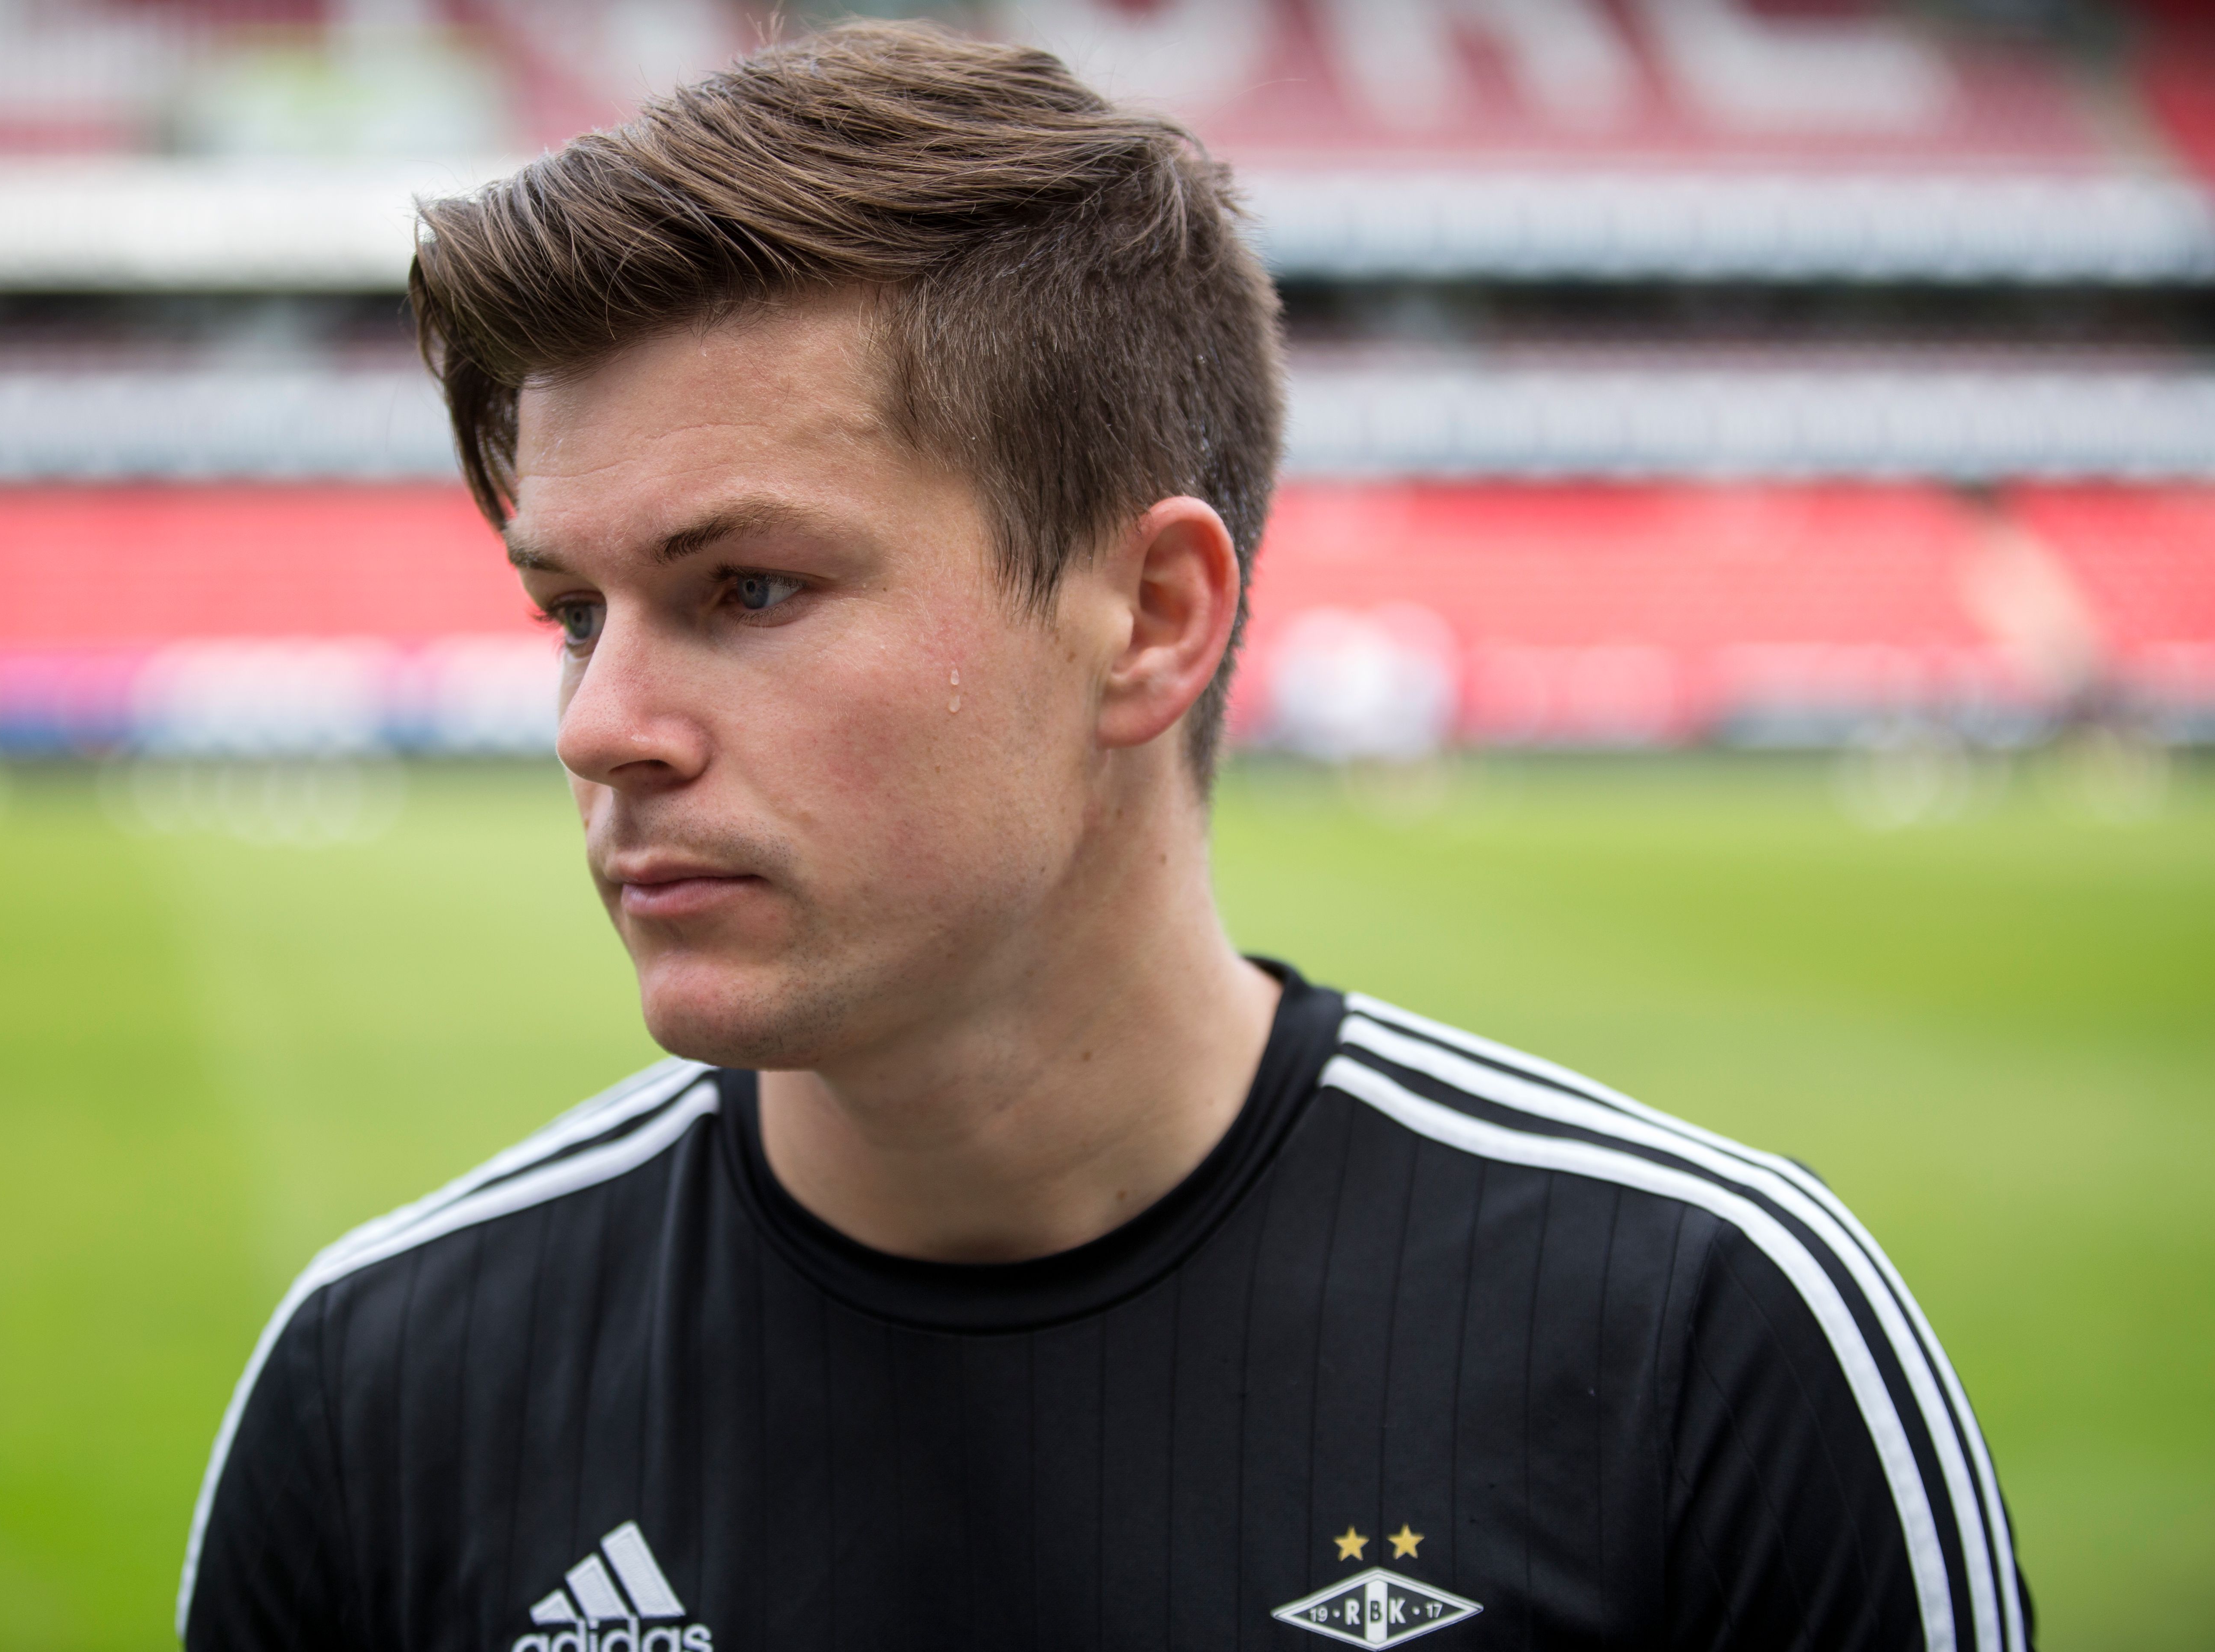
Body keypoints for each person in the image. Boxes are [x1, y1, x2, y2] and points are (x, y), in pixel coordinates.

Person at [178, 22, 2028, 1652]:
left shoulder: (1712, 1344)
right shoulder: (377, 1391)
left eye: (748, 587)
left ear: (1148, 618)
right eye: (573, 613)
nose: (597, 727)